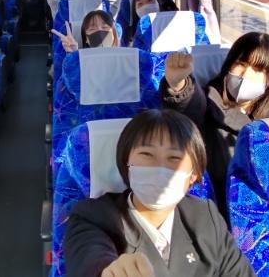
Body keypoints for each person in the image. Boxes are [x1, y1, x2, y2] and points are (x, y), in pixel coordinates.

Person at [64, 109, 254, 277]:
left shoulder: (205, 216)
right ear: (126, 163)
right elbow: (90, 259)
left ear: (194, 175)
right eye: (146, 154)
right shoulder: (94, 216)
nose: (160, 168)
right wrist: (108, 271)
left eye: (174, 158)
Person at [160, 32, 269, 212]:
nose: (246, 74)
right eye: (241, 64)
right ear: (229, 66)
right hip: (219, 207)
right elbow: (190, 106)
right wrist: (179, 85)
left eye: (258, 69)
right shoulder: (210, 102)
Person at [51, 9, 120, 53]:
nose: (99, 31)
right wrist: (74, 54)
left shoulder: (124, 59)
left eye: (105, 27)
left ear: (114, 34)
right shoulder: (81, 63)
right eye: (92, 29)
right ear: (86, 39)